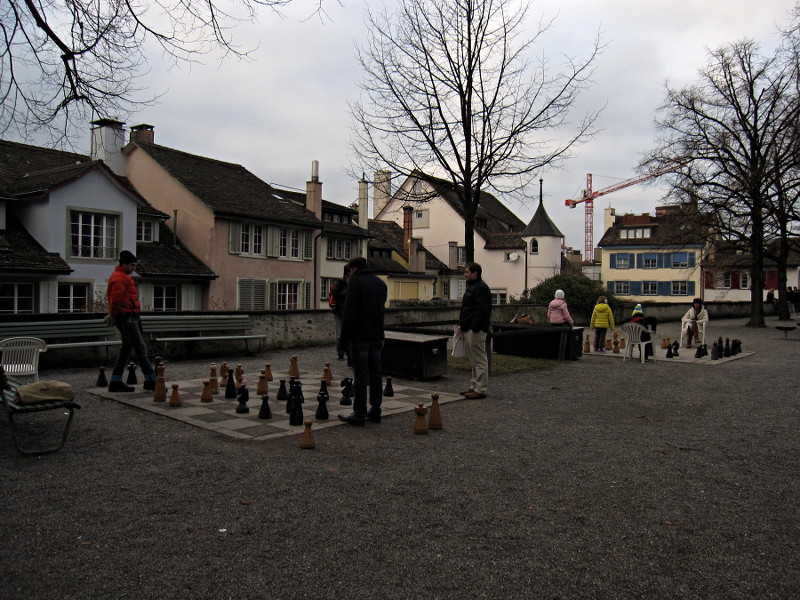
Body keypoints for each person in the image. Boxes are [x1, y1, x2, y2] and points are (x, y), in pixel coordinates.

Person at [338, 256, 388, 425]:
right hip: (377, 335)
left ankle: (359, 412)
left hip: (360, 337)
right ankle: (376, 410)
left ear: (353, 269)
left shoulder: (356, 283)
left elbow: (349, 314)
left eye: (349, 271)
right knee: (375, 374)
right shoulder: (381, 283)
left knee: (360, 375)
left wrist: (343, 341)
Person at [105, 250, 156, 392]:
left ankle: (115, 381)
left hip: (130, 317)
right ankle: (151, 380)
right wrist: (113, 315)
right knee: (141, 349)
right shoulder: (119, 278)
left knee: (126, 349)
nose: (134, 268)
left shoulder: (123, 277)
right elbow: (115, 300)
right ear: (125, 264)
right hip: (126, 318)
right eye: (132, 265)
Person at [459, 262, 492, 400]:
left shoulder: (481, 288)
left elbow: (482, 310)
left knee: (479, 359)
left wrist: (474, 326)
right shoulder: (473, 286)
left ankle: (480, 388)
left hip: (475, 328)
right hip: (470, 326)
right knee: (474, 359)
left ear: (475, 273)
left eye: (467, 272)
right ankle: (474, 385)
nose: (465, 274)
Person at [330, 265, 351, 361]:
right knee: (339, 334)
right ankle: (340, 353)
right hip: (341, 312)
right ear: (347, 273)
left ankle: (348, 353)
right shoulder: (340, 282)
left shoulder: (354, 282)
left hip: (349, 312)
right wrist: (347, 292)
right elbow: (335, 293)